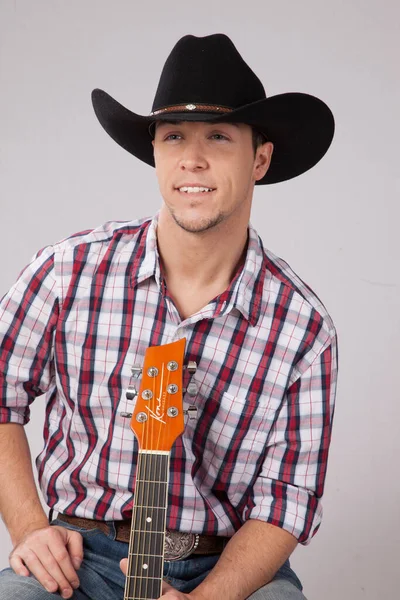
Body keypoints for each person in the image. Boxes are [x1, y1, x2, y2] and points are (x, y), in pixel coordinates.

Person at [0, 34, 338, 600]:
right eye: (174, 136)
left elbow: (289, 498)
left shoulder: (302, 328)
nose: (192, 159)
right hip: (84, 553)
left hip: (224, 565)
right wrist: (31, 529)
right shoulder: (68, 270)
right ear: (155, 152)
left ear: (260, 158)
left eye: (219, 138)